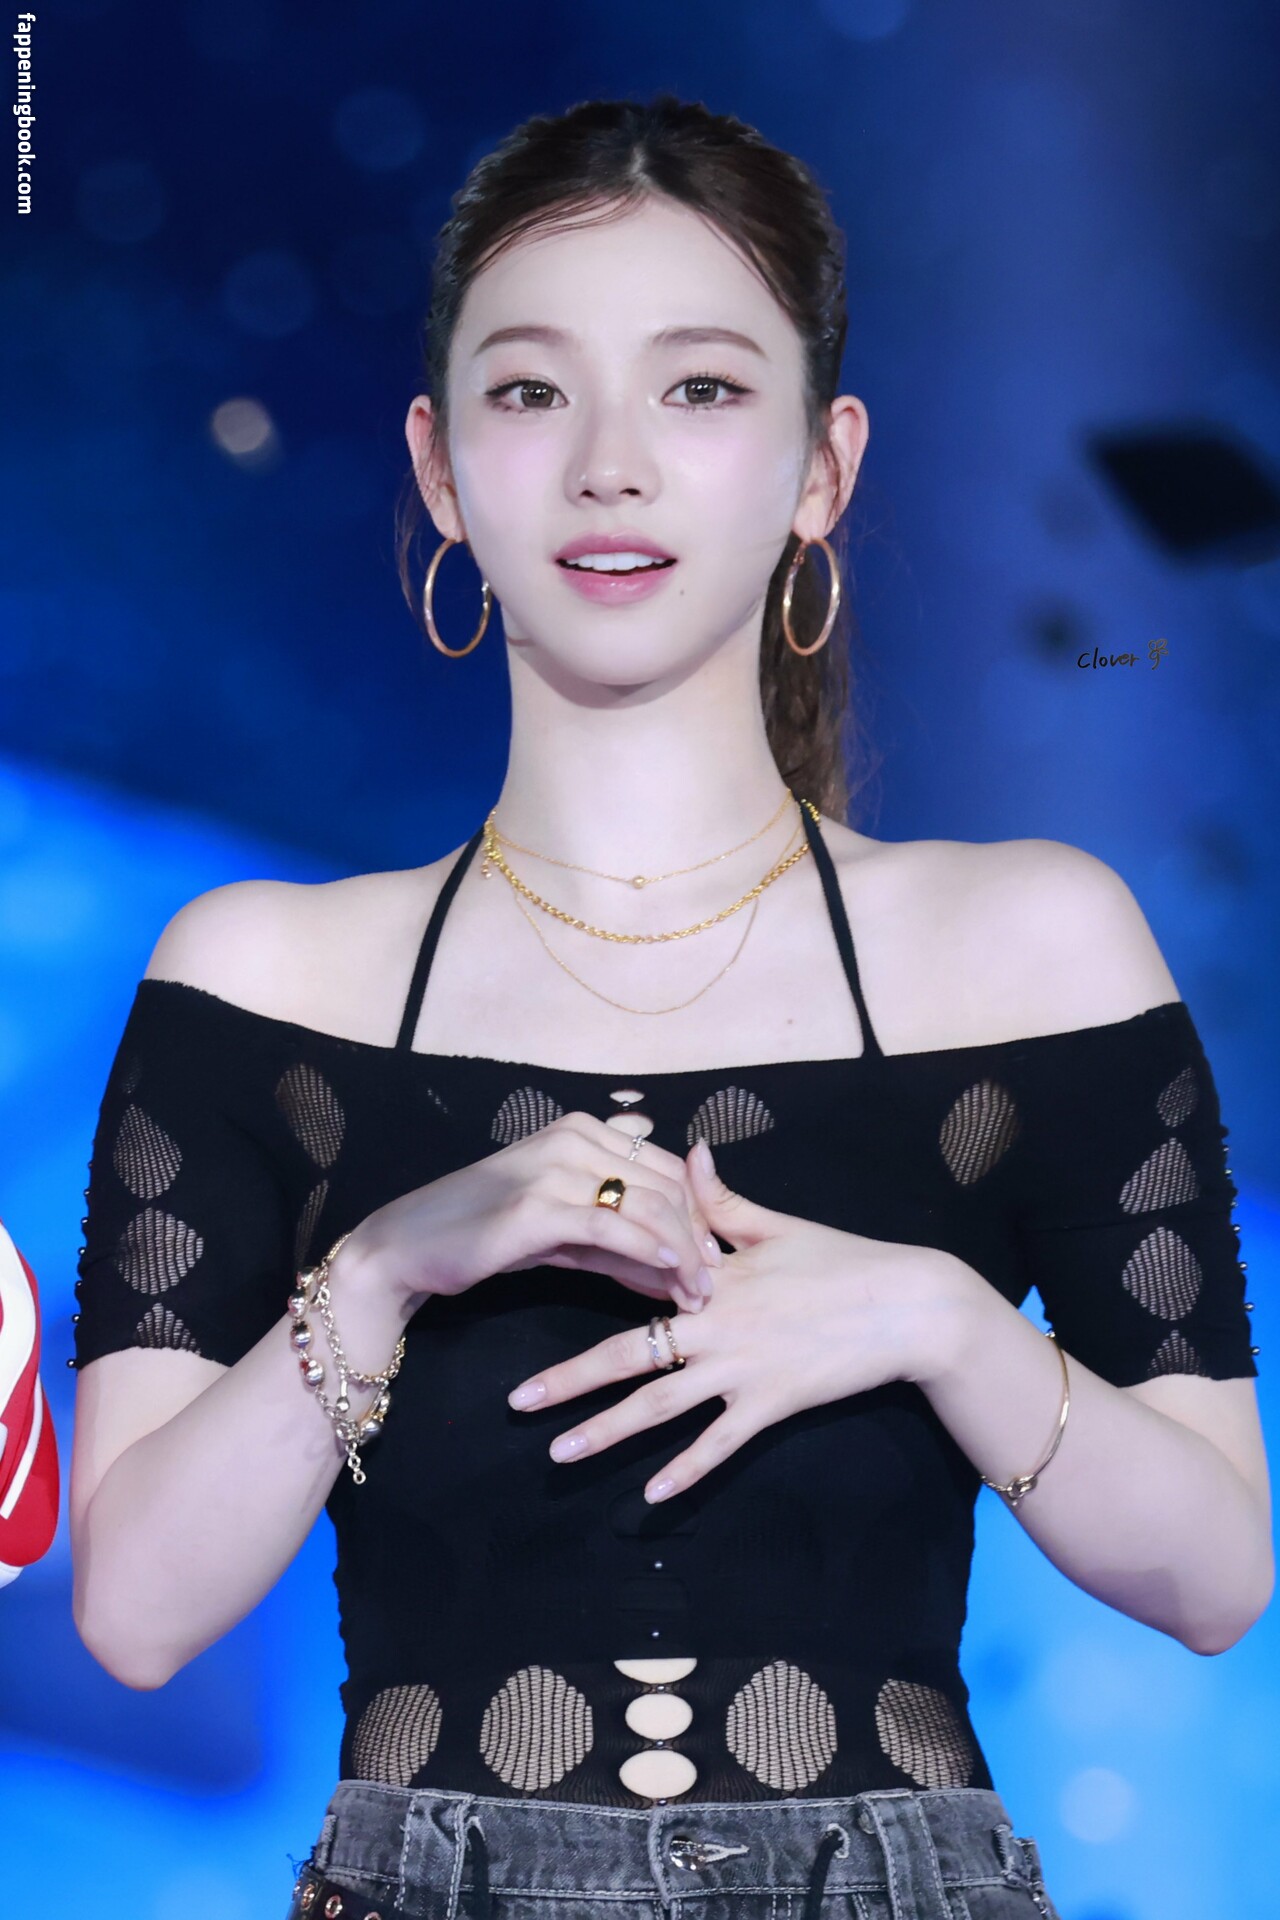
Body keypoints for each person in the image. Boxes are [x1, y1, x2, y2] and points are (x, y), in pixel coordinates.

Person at [68, 94, 1270, 1920]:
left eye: (700, 388)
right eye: (531, 391)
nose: (611, 467)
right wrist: (383, 1270)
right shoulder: (261, 974)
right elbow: (137, 1614)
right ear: (440, 468)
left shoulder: (1032, 942)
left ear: (822, 466)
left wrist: (942, 1323)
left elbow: (1218, 1576)